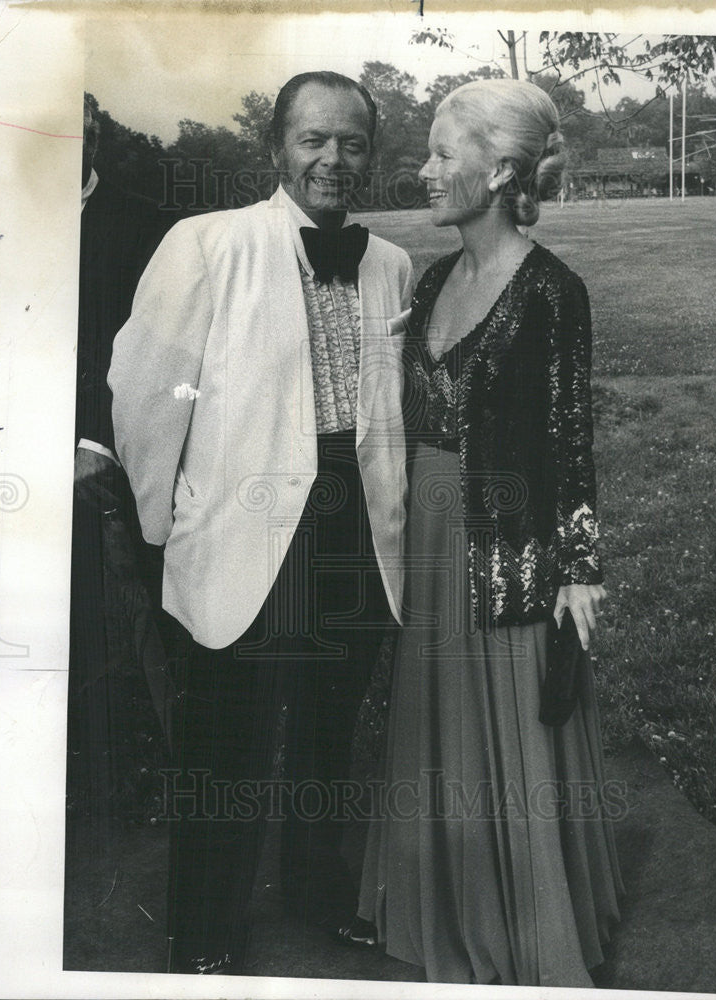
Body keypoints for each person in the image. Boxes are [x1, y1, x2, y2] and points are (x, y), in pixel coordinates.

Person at [108, 71, 413, 974]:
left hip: (354, 532)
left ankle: (320, 895)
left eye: (352, 143)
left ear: (370, 155)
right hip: (240, 530)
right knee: (224, 743)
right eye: (314, 140)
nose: (333, 159)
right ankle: (203, 933)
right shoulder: (207, 243)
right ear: (276, 149)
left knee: (329, 732)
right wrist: (165, 520)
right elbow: (146, 390)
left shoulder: (391, 263)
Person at [356, 79, 624, 986]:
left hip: (503, 552)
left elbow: (569, 440)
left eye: (441, 154)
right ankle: (444, 909)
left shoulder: (554, 292)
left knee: (509, 735)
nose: (424, 170)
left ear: (501, 168)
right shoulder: (431, 280)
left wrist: (579, 567)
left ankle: (525, 929)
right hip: (430, 540)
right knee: (440, 727)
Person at [68, 98, 173, 850]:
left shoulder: (144, 226)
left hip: (103, 463)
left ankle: (137, 783)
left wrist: (95, 446)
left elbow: (163, 364)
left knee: (125, 630)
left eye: (80, 129)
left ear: (95, 136)